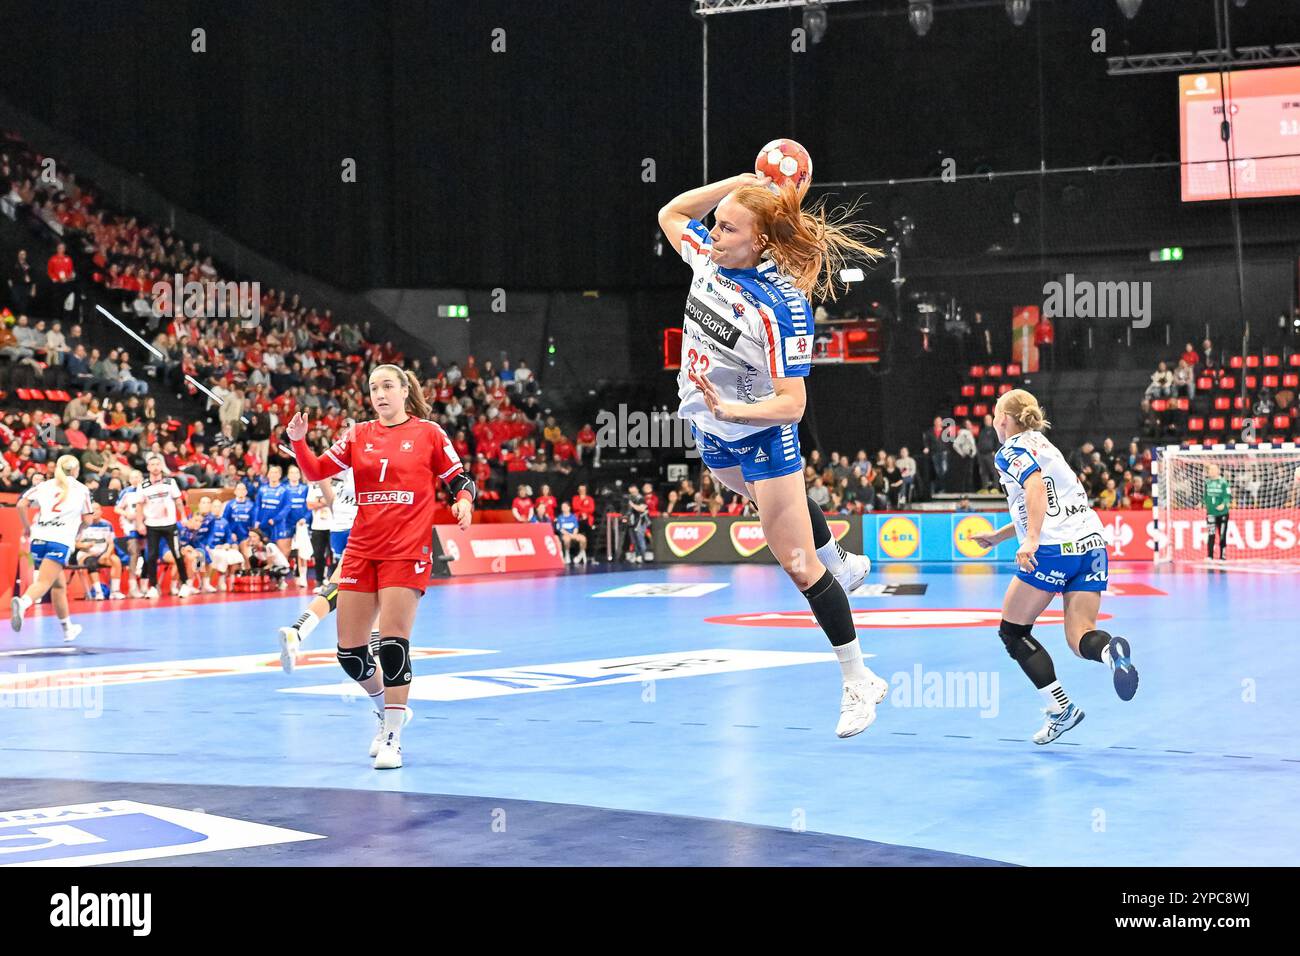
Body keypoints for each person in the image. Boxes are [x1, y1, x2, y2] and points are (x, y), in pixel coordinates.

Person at [659, 167, 887, 737]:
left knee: (795, 563)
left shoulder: (780, 308)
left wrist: (737, 412)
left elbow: (792, 404)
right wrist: (732, 185)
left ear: (759, 240)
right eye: (716, 224)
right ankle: (840, 559)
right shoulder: (707, 258)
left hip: (758, 431)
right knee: (758, 498)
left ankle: (860, 680)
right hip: (711, 425)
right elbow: (671, 214)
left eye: (729, 227)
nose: (713, 233)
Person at [287, 364, 475, 770]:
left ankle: (393, 736)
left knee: (391, 643)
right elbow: (317, 470)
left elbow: (460, 479)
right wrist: (299, 442)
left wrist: (464, 502)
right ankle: (385, 710)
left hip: (406, 551)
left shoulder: (428, 433)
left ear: (405, 390)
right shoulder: (358, 434)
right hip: (362, 547)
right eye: (373, 387)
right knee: (351, 653)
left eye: (388, 385)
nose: (380, 393)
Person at [971, 389, 1139, 745]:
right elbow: (1050, 498)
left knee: (1013, 632)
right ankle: (1111, 652)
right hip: (1091, 544)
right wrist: (1001, 537)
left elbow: (1034, 488)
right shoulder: (1045, 445)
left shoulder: (1010, 451)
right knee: (1081, 638)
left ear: (1003, 419)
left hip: (1052, 550)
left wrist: (1030, 540)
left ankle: (1061, 710)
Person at [11, 455, 94, 640]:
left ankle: (67, 629)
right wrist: (78, 531)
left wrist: (26, 527)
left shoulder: (44, 485)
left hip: (38, 539)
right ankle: (23, 603)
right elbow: (88, 519)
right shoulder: (82, 490)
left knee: (58, 584)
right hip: (60, 540)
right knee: (43, 582)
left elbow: (21, 504)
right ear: (76, 470)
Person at [139, 453, 199, 599]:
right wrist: (139, 523)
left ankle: (185, 584)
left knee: (178, 554)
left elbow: (178, 501)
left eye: (157, 464)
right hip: (152, 525)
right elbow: (139, 506)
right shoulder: (143, 486)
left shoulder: (170, 482)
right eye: (152, 464)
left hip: (169, 524)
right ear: (148, 467)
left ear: (161, 466)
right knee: (151, 556)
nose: (155, 467)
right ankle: (153, 587)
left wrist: (183, 517)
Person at [73, 502, 125, 600]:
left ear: (101, 511)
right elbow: (75, 544)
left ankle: (115, 591)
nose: (94, 512)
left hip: (102, 554)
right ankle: (98, 592)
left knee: (116, 560)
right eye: (92, 509)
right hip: (86, 554)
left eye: (97, 509)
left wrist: (107, 554)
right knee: (91, 562)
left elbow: (111, 543)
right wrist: (85, 545)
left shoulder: (107, 524)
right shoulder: (82, 526)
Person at [1203, 462, 1232, 563]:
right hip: (1211, 513)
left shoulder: (1223, 482)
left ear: (1218, 471)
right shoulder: (1207, 483)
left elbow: (1227, 496)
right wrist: (1202, 503)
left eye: (1214, 469)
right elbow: (1205, 496)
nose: (1212, 471)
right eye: (1210, 470)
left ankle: (1222, 556)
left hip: (1222, 513)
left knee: (1222, 535)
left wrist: (1224, 504)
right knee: (1211, 534)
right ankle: (1210, 556)